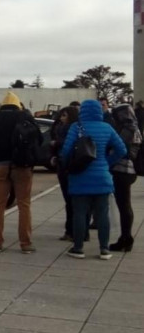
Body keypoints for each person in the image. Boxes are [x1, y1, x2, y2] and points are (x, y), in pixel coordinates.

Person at [61, 100, 126, 260]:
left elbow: (66, 151)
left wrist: (70, 165)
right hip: (102, 177)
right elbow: (122, 150)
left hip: (79, 177)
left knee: (80, 213)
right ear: (99, 111)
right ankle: (104, 249)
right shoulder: (107, 128)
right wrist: (107, 162)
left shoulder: (76, 127)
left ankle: (78, 248)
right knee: (103, 214)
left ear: (83, 111)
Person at [0, 91, 42, 253]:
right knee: (24, 204)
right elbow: (38, 139)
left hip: (0, 165)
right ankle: (25, 243)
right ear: (17, 104)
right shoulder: (24, 117)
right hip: (22, 166)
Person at [109, 104, 141, 252]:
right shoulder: (136, 128)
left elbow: (119, 147)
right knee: (125, 205)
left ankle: (126, 238)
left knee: (123, 205)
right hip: (130, 170)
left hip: (122, 169)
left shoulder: (127, 129)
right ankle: (126, 237)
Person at [51, 106, 84, 242]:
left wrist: (56, 144)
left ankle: (71, 231)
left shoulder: (68, 129)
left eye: (64, 115)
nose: (61, 118)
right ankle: (79, 231)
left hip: (66, 166)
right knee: (78, 202)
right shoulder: (81, 128)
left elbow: (66, 147)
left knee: (70, 201)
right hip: (77, 166)